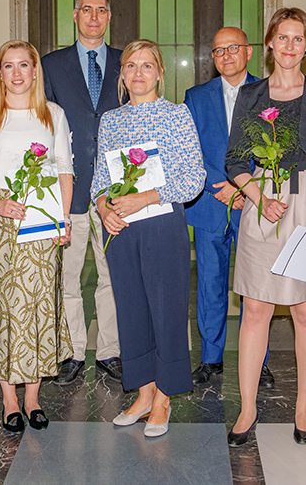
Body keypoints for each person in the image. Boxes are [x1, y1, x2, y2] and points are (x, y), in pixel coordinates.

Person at [224, 8, 306, 447]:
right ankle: (247, 408)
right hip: (263, 205)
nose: (290, 46)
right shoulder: (251, 95)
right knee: (255, 309)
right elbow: (235, 160)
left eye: (299, 38)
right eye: (283, 38)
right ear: (270, 45)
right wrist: (259, 198)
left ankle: (303, 406)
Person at [0, 40, 74, 433]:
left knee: (39, 306)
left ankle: (32, 397)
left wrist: (62, 220)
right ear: (0, 73)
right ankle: (10, 399)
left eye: (24, 65)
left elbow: (64, 170)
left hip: (42, 223)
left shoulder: (53, 114)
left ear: (35, 70)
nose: (17, 73)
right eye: (8, 66)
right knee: (2, 307)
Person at [93, 39, 204, 438]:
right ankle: (143, 393)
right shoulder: (111, 120)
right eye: (130, 65)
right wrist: (104, 209)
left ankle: (164, 399)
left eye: (146, 66)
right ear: (122, 74)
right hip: (122, 229)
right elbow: (100, 179)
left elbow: (194, 177)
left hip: (162, 225)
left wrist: (147, 197)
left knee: (166, 312)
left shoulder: (177, 115)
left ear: (159, 73)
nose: (138, 73)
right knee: (131, 312)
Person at [183, 27, 274, 388]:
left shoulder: (269, 93)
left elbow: (276, 150)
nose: (226, 56)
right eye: (219, 51)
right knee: (210, 284)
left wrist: (243, 187)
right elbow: (189, 150)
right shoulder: (196, 97)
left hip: (253, 203)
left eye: (233, 48)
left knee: (257, 286)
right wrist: (219, 187)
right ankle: (211, 358)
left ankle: (258, 360)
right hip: (210, 201)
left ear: (248, 52)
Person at [42, 0, 123, 384]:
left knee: (113, 276)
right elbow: (42, 126)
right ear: (75, 15)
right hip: (68, 189)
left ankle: (110, 350)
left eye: (101, 10)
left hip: (116, 192)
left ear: (109, 16)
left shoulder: (127, 62)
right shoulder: (51, 65)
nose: (93, 16)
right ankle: (72, 351)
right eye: (86, 9)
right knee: (67, 276)